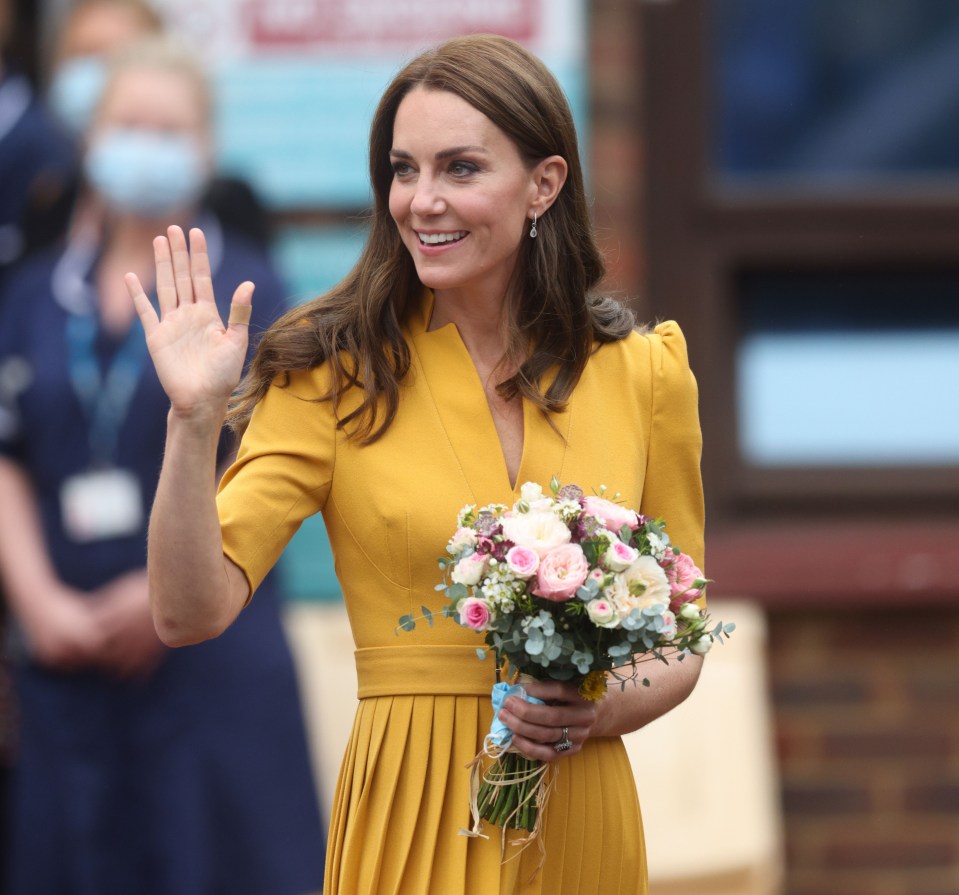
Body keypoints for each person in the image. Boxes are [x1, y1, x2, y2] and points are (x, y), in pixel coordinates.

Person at [127, 34, 706, 895]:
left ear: (543, 184)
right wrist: (191, 419)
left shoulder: (644, 373)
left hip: (583, 810)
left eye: (460, 168)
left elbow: (682, 634)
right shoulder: (332, 372)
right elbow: (187, 609)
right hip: (410, 806)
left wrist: (590, 709)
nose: (422, 201)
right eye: (404, 169)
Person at [0, 38, 324, 895]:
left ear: (207, 149)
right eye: (127, 123)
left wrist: (167, 595)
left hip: (209, 660)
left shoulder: (253, 293)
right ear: (90, 138)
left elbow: (269, 459)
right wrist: (38, 602)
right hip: (64, 660)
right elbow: (7, 459)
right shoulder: (32, 294)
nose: (145, 144)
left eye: (168, 128)